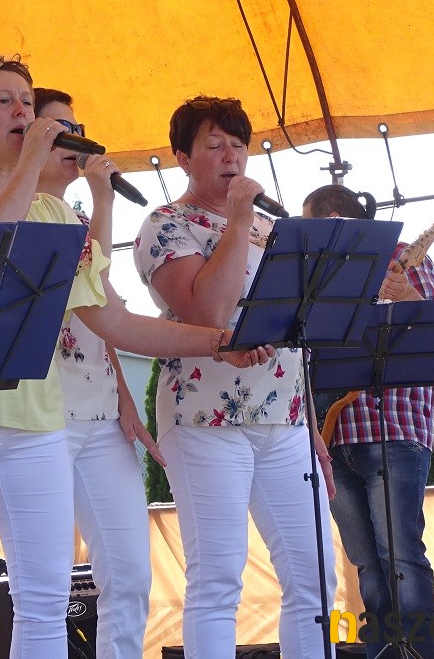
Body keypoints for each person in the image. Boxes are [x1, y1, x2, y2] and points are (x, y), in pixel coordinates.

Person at [0, 57, 274, 659]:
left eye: (26, 101)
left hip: (38, 418)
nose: (22, 111)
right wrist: (30, 166)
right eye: (4, 101)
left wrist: (217, 341)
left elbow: (112, 320)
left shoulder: (57, 215)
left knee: (45, 598)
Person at [133, 96, 336, 658]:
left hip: (286, 419)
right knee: (218, 578)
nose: (231, 156)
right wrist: (239, 219)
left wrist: (310, 422)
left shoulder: (276, 228)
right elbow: (210, 313)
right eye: (214, 145)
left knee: (316, 576)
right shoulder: (166, 225)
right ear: (182, 158)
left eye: (239, 145)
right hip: (206, 417)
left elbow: (298, 329)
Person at [35, 86, 156, 658]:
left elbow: (104, 317)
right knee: (45, 581)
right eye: (60, 128)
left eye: (77, 128)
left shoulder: (82, 217)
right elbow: (92, 284)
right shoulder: (13, 210)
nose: (75, 140)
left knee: (130, 573)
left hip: (102, 414)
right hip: (41, 415)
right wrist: (103, 202)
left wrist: (127, 401)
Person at [302, 184, 434, 659]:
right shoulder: (316, 272)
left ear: (335, 221)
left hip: (393, 429)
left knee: (401, 556)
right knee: (367, 563)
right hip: (332, 435)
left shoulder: (403, 257)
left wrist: (408, 295)